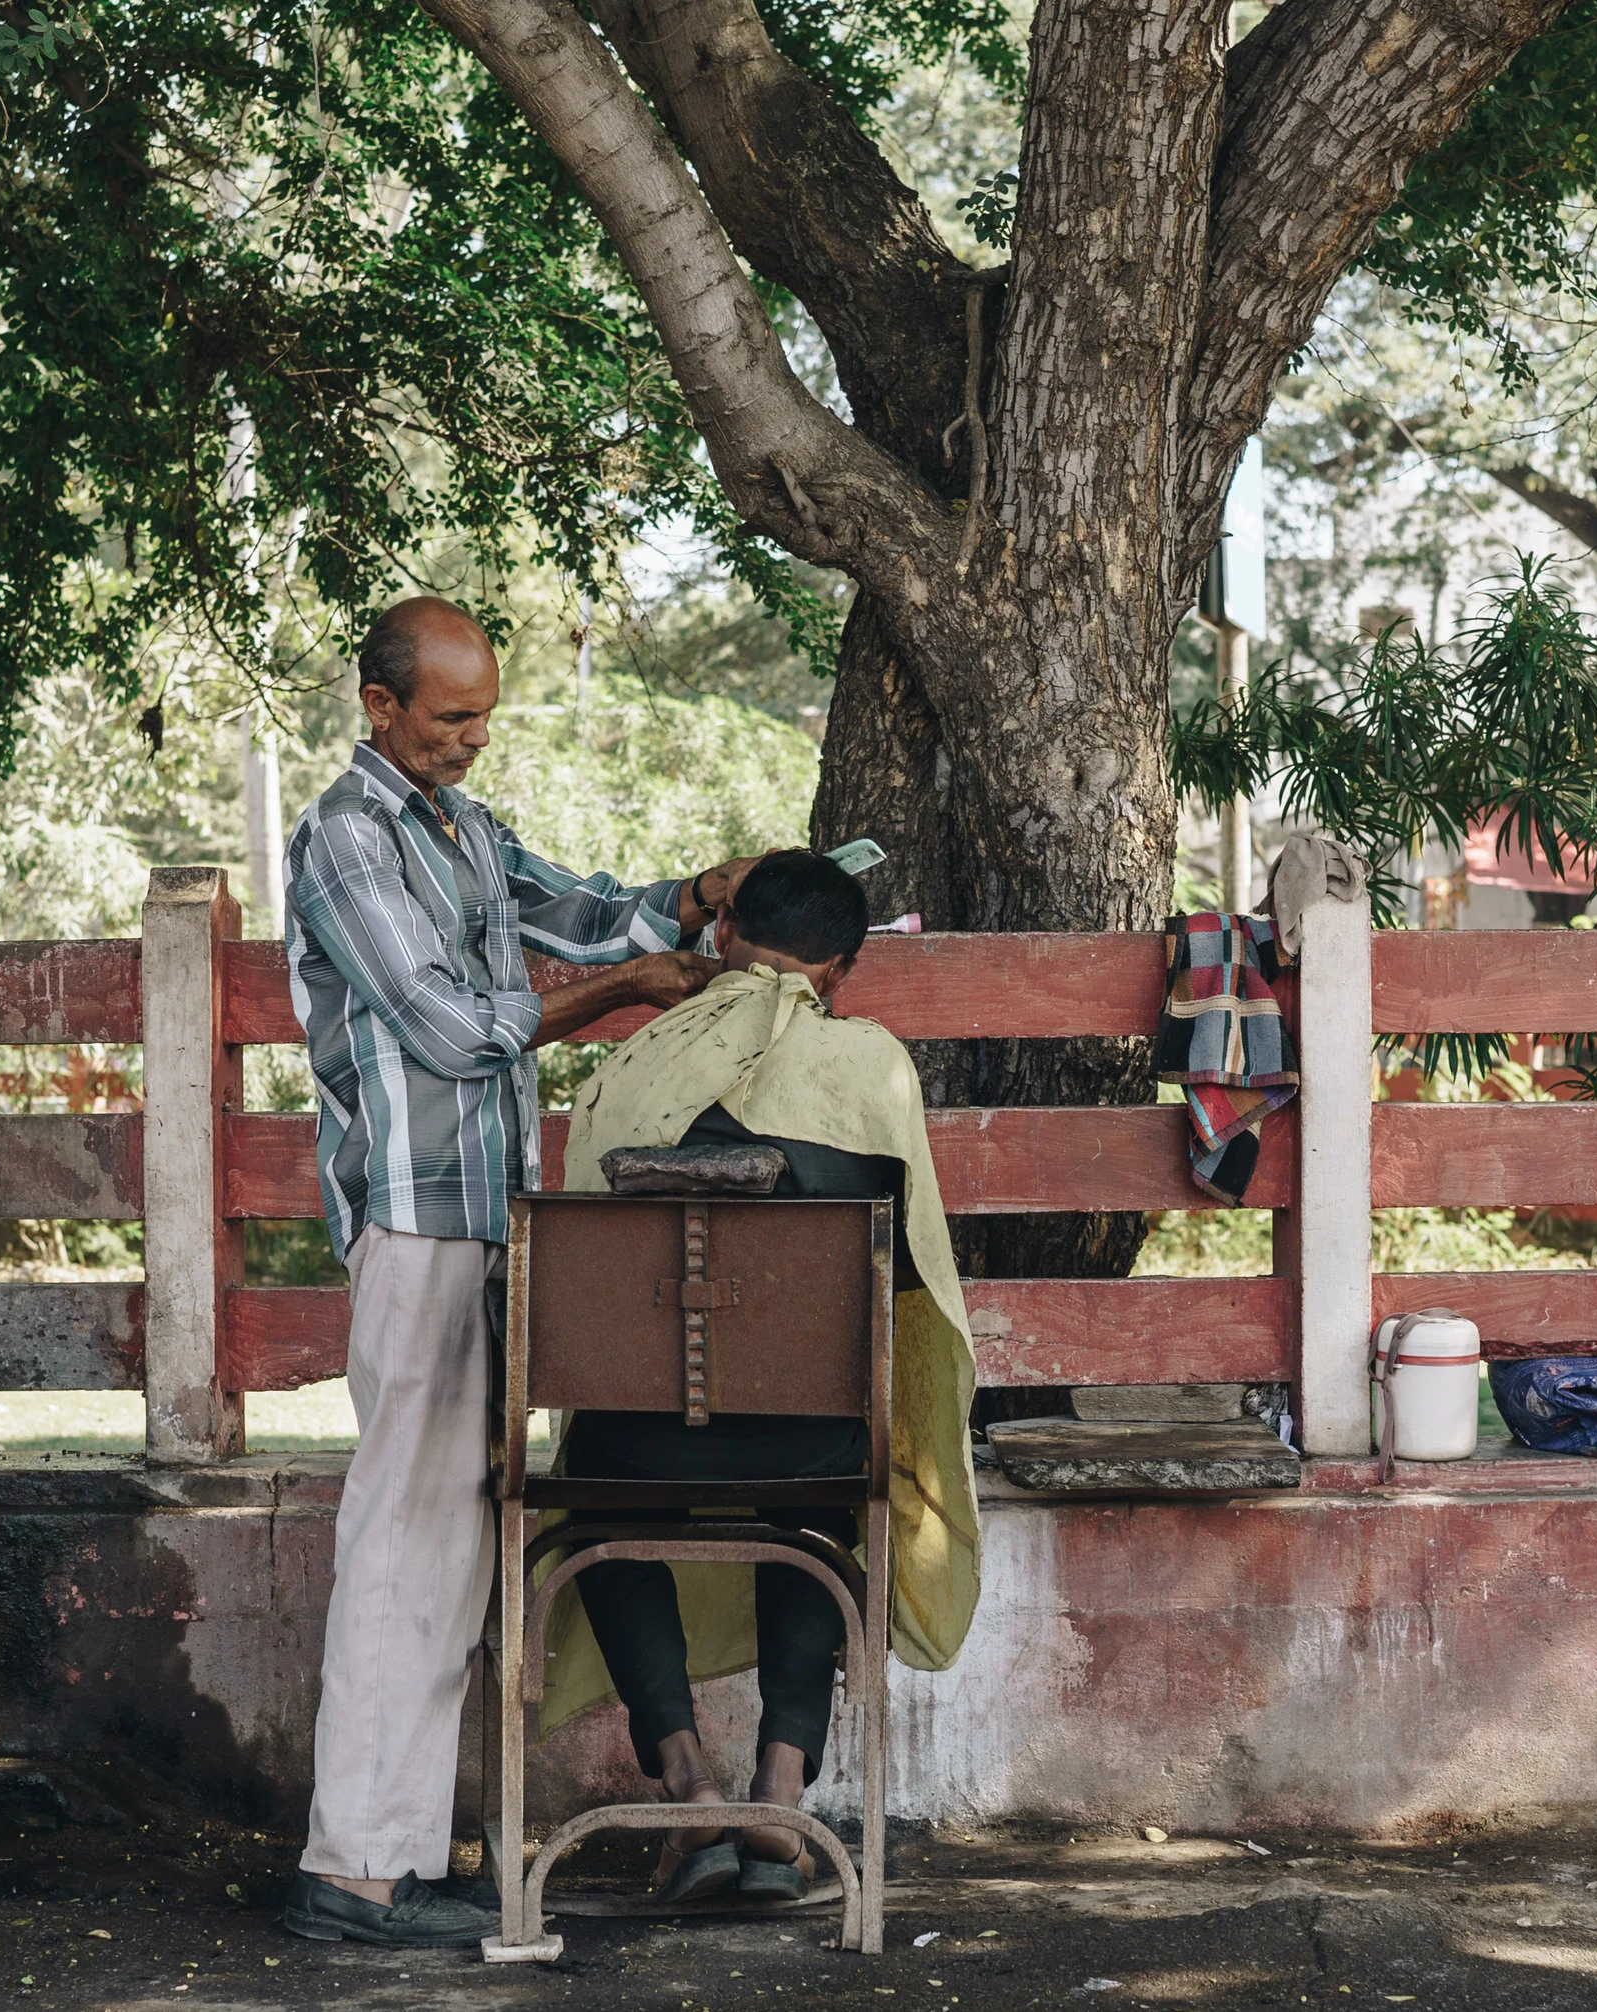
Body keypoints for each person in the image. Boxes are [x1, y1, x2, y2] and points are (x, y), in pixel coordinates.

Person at [278, 594, 755, 1950]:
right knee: (404, 1536)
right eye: (449, 717)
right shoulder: (345, 839)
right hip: (419, 1220)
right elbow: (444, 1025)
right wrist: (613, 995)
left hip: (492, 1215)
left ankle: (399, 1854)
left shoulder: (461, 830)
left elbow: (588, 911)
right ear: (379, 707)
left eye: (486, 713)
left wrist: (694, 897)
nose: (474, 739)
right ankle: (353, 1869)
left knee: (458, 1541)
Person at [548, 849, 983, 1903]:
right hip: (810, 1443)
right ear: (837, 973)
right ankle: (779, 1799)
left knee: (593, 1495)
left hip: (637, 1440)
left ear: (724, 932)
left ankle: (686, 1784)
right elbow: (915, 1276)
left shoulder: (626, 1071)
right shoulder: (871, 1067)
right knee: (823, 1510)